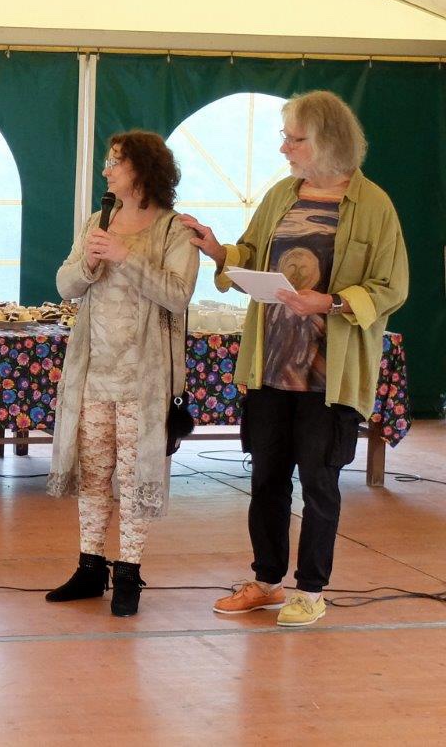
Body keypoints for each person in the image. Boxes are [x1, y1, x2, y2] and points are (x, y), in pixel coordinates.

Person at [180, 91, 408, 627]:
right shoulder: (282, 194)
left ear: (328, 142)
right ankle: (266, 581)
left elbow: (391, 286)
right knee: (266, 479)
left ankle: (310, 590)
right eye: (285, 138)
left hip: (329, 377)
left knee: (320, 483)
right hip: (271, 367)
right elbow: (250, 254)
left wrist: (330, 302)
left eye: (295, 139)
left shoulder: (374, 205)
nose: (285, 148)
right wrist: (218, 251)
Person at [47, 131, 197, 617]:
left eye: (115, 162)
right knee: (94, 474)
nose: (106, 170)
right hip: (93, 375)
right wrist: (89, 263)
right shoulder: (99, 220)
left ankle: (129, 572)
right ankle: (90, 567)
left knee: (134, 478)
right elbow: (65, 284)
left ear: (142, 170)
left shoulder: (174, 230)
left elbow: (178, 294)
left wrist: (125, 257)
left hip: (143, 381)